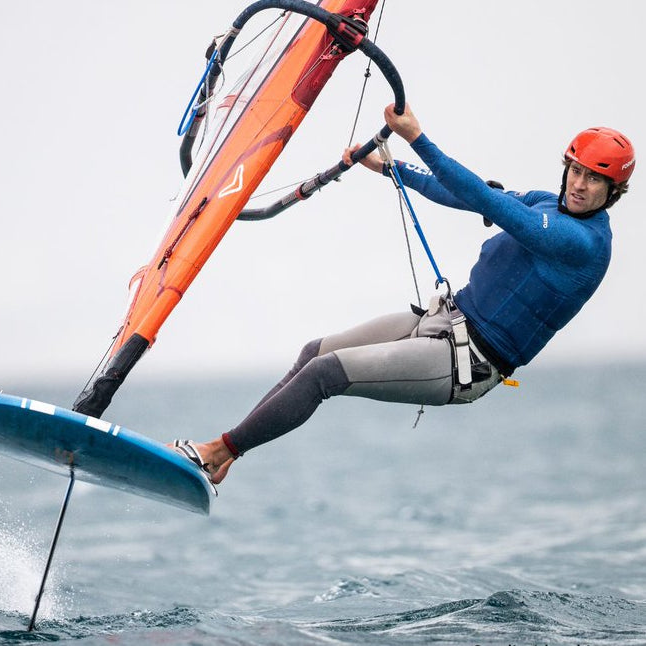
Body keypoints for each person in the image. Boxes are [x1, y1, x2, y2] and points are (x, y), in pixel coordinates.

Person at [173, 103, 635, 485]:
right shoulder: (546, 203)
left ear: (613, 191)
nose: (579, 184)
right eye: (575, 171)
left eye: (594, 179)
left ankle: (217, 452)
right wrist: (392, 168)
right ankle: (226, 454)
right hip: (444, 320)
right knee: (314, 352)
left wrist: (417, 138)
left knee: (325, 374)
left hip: (466, 363)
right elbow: (469, 195)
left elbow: (489, 202)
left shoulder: (582, 243)